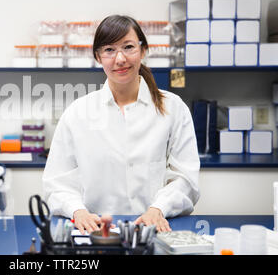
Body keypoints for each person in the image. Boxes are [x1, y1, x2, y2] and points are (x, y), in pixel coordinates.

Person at [42, 15, 200, 234]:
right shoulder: (77, 113)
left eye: (128, 47)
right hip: (95, 232)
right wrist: (77, 210)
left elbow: (186, 177)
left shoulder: (173, 108)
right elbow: (56, 182)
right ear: (98, 56)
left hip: (154, 229)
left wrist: (159, 208)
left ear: (143, 50)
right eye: (109, 50)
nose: (120, 59)